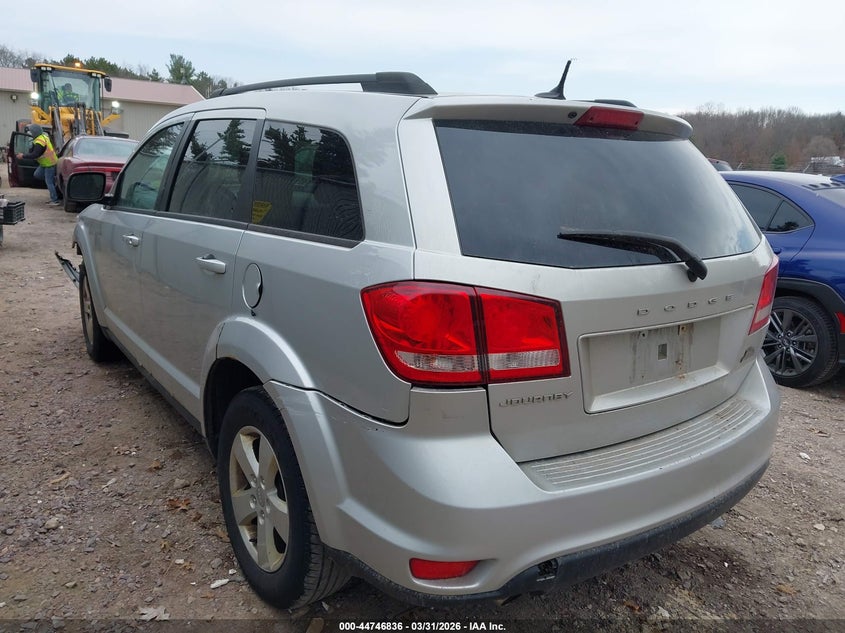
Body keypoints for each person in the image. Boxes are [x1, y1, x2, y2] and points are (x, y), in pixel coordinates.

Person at [16, 124, 60, 205]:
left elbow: (35, 155)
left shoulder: (39, 142)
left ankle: (55, 200)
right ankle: (54, 181)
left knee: (49, 182)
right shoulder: (43, 137)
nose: (31, 133)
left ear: (35, 132)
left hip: (49, 164)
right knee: (37, 175)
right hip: (45, 163)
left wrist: (23, 156)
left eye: (31, 132)